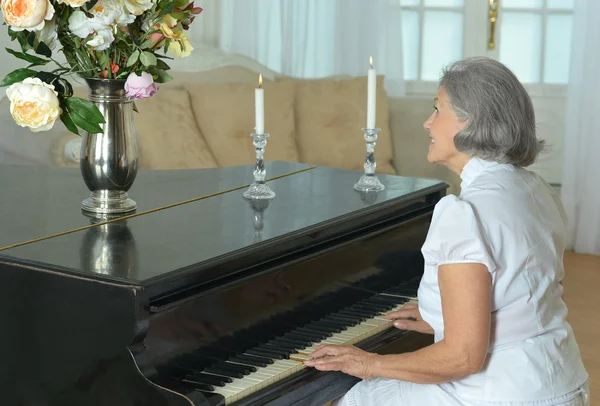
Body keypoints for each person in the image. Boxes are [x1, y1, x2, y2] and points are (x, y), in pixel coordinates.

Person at [304, 57, 590, 406]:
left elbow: (462, 358)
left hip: (500, 395)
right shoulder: (536, 188)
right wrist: (442, 315)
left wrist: (369, 363)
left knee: (358, 398)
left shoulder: (462, 213)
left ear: (468, 121)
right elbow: (529, 291)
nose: (428, 123)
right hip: (564, 384)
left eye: (437, 109)